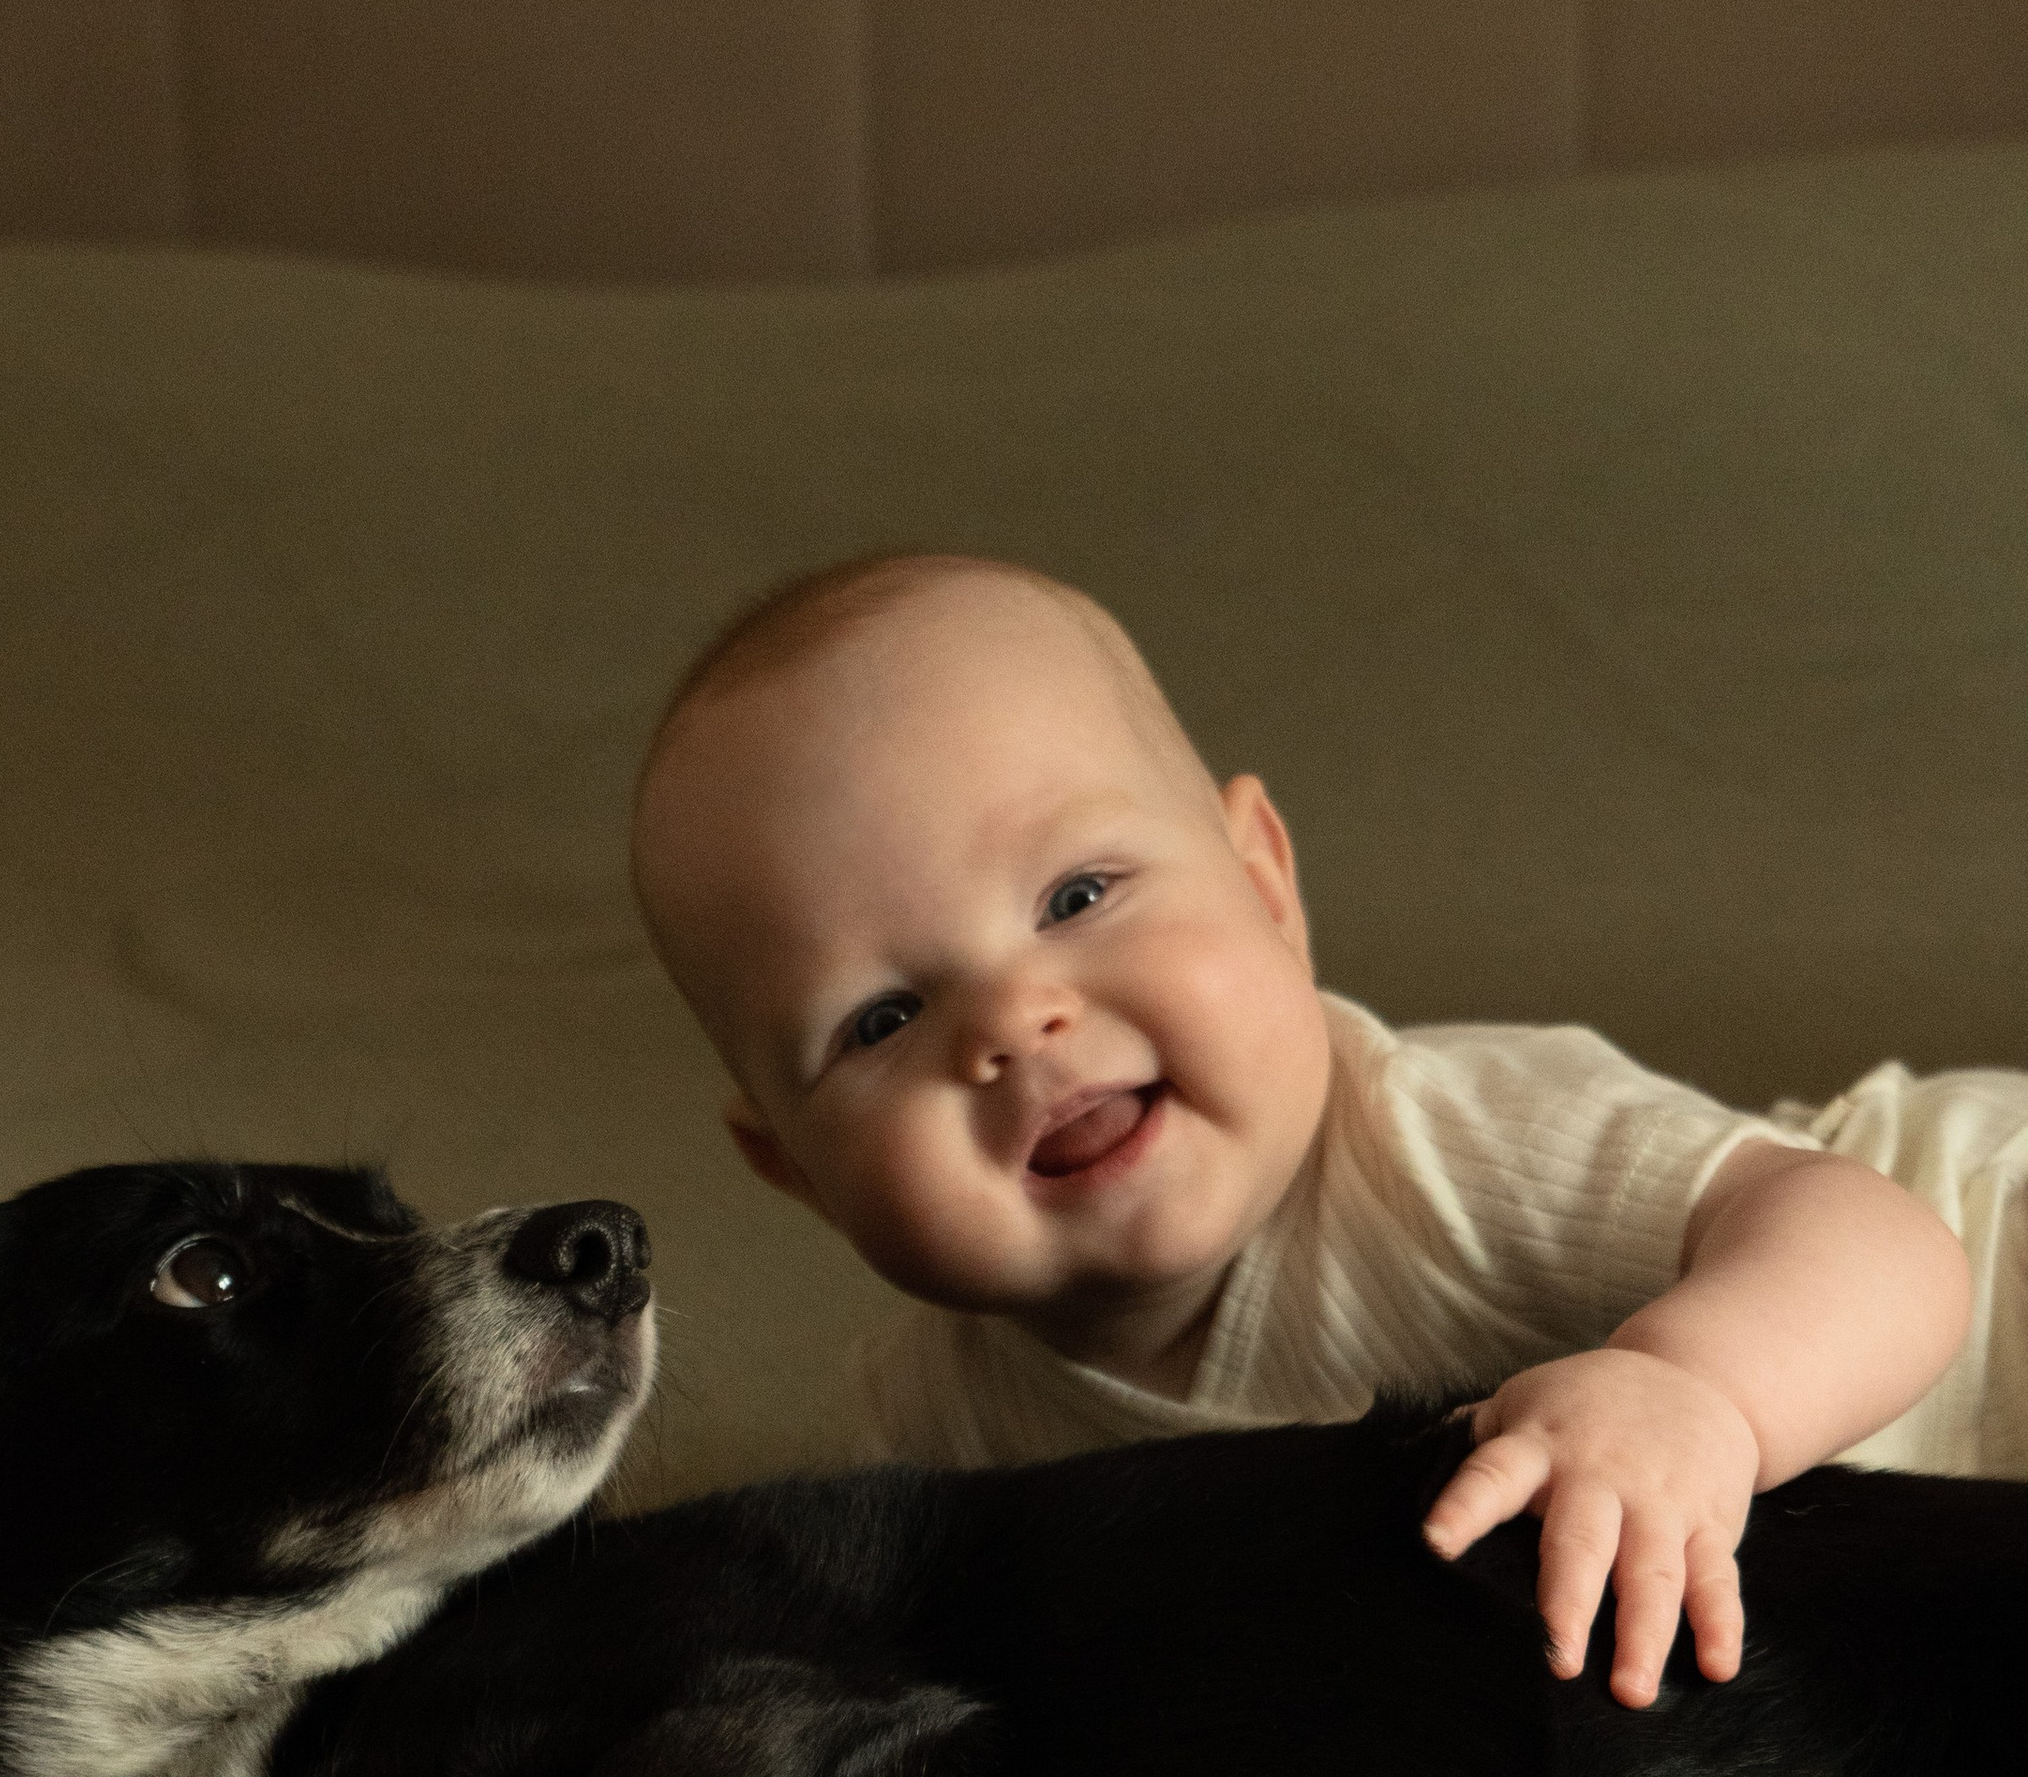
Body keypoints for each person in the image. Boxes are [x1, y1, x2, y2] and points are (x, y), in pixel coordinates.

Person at [629, 551, 2025, 1709]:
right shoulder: (940, 1422)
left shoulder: (1437, 1145)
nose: (1011, 1022)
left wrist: (1697, 1391)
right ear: (793, 1172)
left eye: (1076, 898)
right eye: (881, 1019)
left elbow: (1881, 1241)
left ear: (1264, 884)